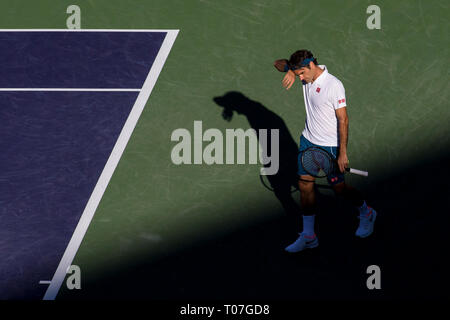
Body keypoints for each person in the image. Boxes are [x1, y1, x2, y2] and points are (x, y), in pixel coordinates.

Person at [274, 50, 377, 253]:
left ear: (311, 65)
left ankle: (367, 212)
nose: (301, 78)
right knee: (304, 185)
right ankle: (309, 235)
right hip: (308, 141)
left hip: (330, 146)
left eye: (302, 73)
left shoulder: (334, 86)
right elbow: (276, 63)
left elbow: (343, 120)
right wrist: (290, 71)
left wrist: (343, 153)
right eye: (299, 74)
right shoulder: (304, 76)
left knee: (339, 189)